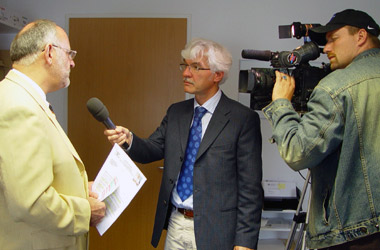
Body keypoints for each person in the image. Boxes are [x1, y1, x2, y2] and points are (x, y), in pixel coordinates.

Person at [104, 38, 263, 250]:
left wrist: (244, 243)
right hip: (176, 223)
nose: (185, 73)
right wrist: (129, 139)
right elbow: (152, 149)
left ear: (217, 75)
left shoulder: (242, 119)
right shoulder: (176, 112)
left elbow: (250, 190)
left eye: (195, 67)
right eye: (185, 65)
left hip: (218, 231)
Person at [262, 9, 380, 250]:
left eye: (333, 39)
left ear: (360, 37)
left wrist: (282, 104)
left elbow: (298, 153)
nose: (326, 48)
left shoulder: (336, 87)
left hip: (352, 234)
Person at [0, 19, 106, 250]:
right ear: (49, 52)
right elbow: (31, 202)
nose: (72, 63)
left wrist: (78, 188)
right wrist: (85, 211)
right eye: (69, 54)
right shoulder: (19, 107)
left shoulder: (23, 98)